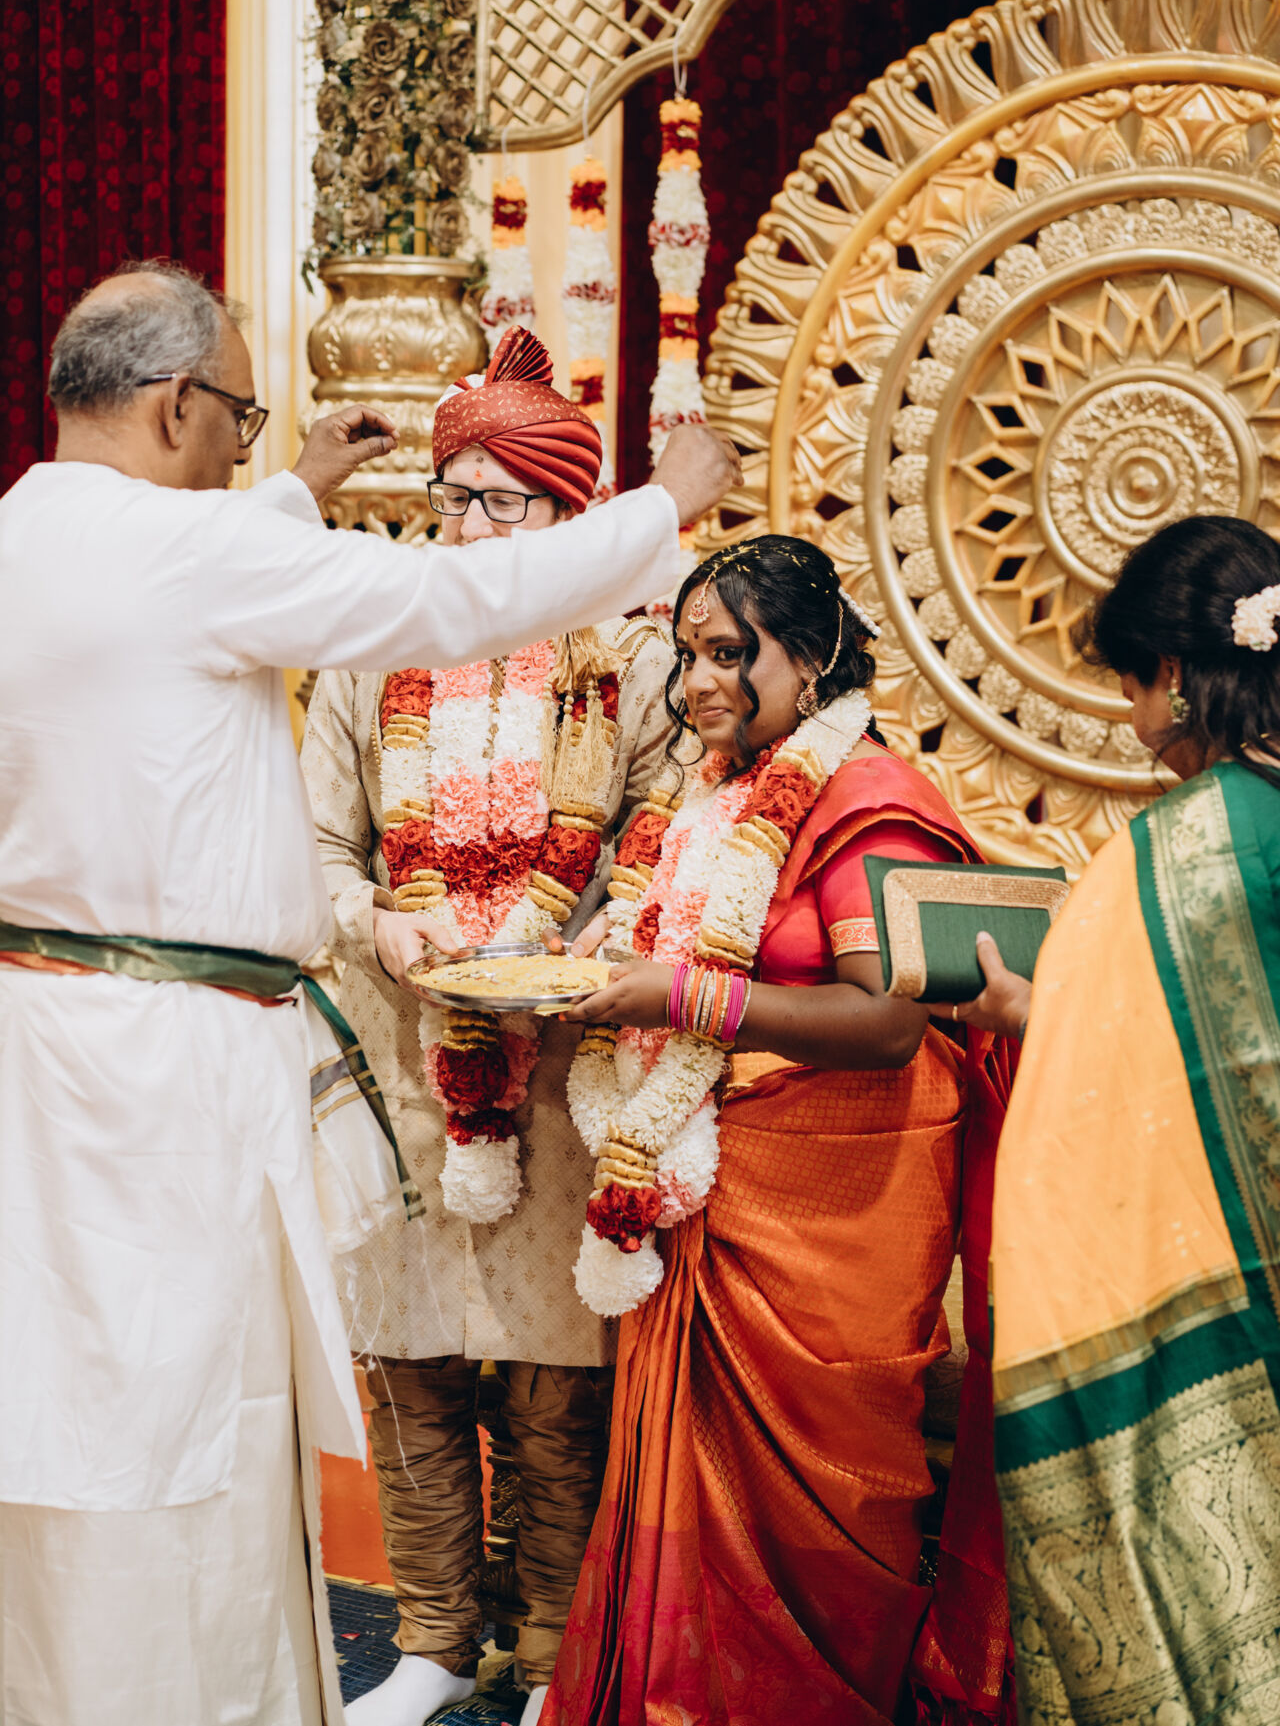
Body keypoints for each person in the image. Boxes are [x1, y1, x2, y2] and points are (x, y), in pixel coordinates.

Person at [0, 260, 738, 1726]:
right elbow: (443, 602)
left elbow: (196, 579)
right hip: (170, 1067)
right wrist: (664, 502)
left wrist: (288, 486)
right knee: (181, 1418)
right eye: (237, 420)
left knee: (87, 1410)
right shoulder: (190, 557)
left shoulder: (32, 529)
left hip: (71, 1046)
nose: (242, 453)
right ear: (173, 406)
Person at [538, 538, 1015, 1726]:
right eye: (686, 654)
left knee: (817, 1498)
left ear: (807, 657)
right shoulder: (708, 792)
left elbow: (888, 1023)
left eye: (726, 653)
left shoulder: (867, 800)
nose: (697, 681)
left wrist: (676, 996)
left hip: (830, 1204)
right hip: (704, 1176)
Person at [300, 327, 680, 1726]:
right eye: (451, 498)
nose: (464, 528)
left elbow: (658, 841)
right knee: (407, 1359)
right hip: (401, 1057)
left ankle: (549, 1650)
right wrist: (379, 924)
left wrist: (585, 941)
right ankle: (431, 1643)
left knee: (550, 1376)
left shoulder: (631, 660)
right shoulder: (370, 653)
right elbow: (315, 847)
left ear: (567, 515)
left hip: (564, 1062)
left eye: (498, 502)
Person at [981, 515, 1280, 1725]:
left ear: (1169, 674)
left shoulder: (1164, 857)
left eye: (1126, 679)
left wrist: (1027, 1015)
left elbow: (1106, 1117)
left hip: (1222, 1312)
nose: (1127, 710)